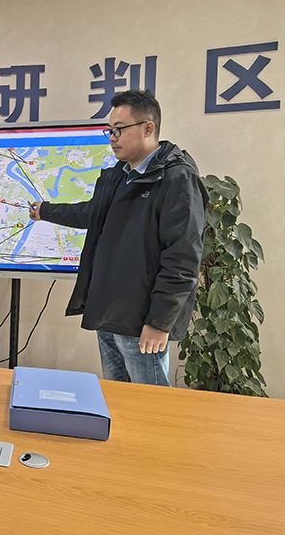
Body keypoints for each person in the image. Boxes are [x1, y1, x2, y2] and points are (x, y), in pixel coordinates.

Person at [29, 89, 207, 386]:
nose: (112, 138)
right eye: (109, 130)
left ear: (148, 128)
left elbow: (183, 259)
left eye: (119, 130)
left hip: (141, 321)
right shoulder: (121, 174)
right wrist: (44, 211)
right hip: (109, 312)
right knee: (116, 397)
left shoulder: (176, 179)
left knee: (149, 405)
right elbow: (92, 213)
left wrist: (159, 322)